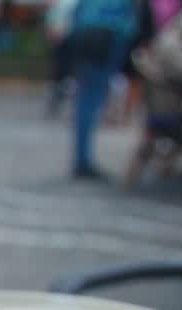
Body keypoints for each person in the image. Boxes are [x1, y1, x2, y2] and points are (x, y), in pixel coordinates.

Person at [58, 0, 140, 179]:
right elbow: (129, 23)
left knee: (85, 101)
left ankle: (81, 158)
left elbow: (76, 15)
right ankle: (83, 161)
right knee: (91, 100)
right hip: (107, 40)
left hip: (85, 38)